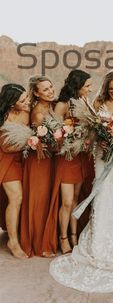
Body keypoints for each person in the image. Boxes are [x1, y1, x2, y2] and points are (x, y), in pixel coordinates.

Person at [49, 71, 113, 292]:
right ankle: (98, 241)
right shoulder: (98, 102)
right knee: (102, 193)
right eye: (111, 88)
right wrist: (102, 137)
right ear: (105, 87)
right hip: (101, 154)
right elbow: (91, 131)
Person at [43, 70, 93, 255]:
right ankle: (62, 238)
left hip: (80, 157)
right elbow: (53, 135)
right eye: (87, 86)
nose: (89, 89)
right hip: (66, 158)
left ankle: (74, 235)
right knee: (66, 201)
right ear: (78, 86)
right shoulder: (62, 105)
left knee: (75, 200)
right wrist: (69, 136)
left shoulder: (84, 103)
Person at [20, 76, 56, 257]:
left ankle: (45, 239)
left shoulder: (50, 107)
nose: (50, 91)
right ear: (36, 93)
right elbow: (43, 142)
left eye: (50, 87)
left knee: (46, 198)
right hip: (38, 161)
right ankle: (37, 243)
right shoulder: (38, 113)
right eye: (45, 89)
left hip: (49, 160)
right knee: (38, 200)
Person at [0, 84, 30, 259]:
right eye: (23, 100)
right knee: (16, 198)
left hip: (21, 160)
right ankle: (13, 242)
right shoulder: (4, 117)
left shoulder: (26, 111)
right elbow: (6, 146)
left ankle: (11, 229)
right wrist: (30, 141)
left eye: (27, 98)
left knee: (18, 198)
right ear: (12, 104)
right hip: (5, 159)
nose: (27, 102)